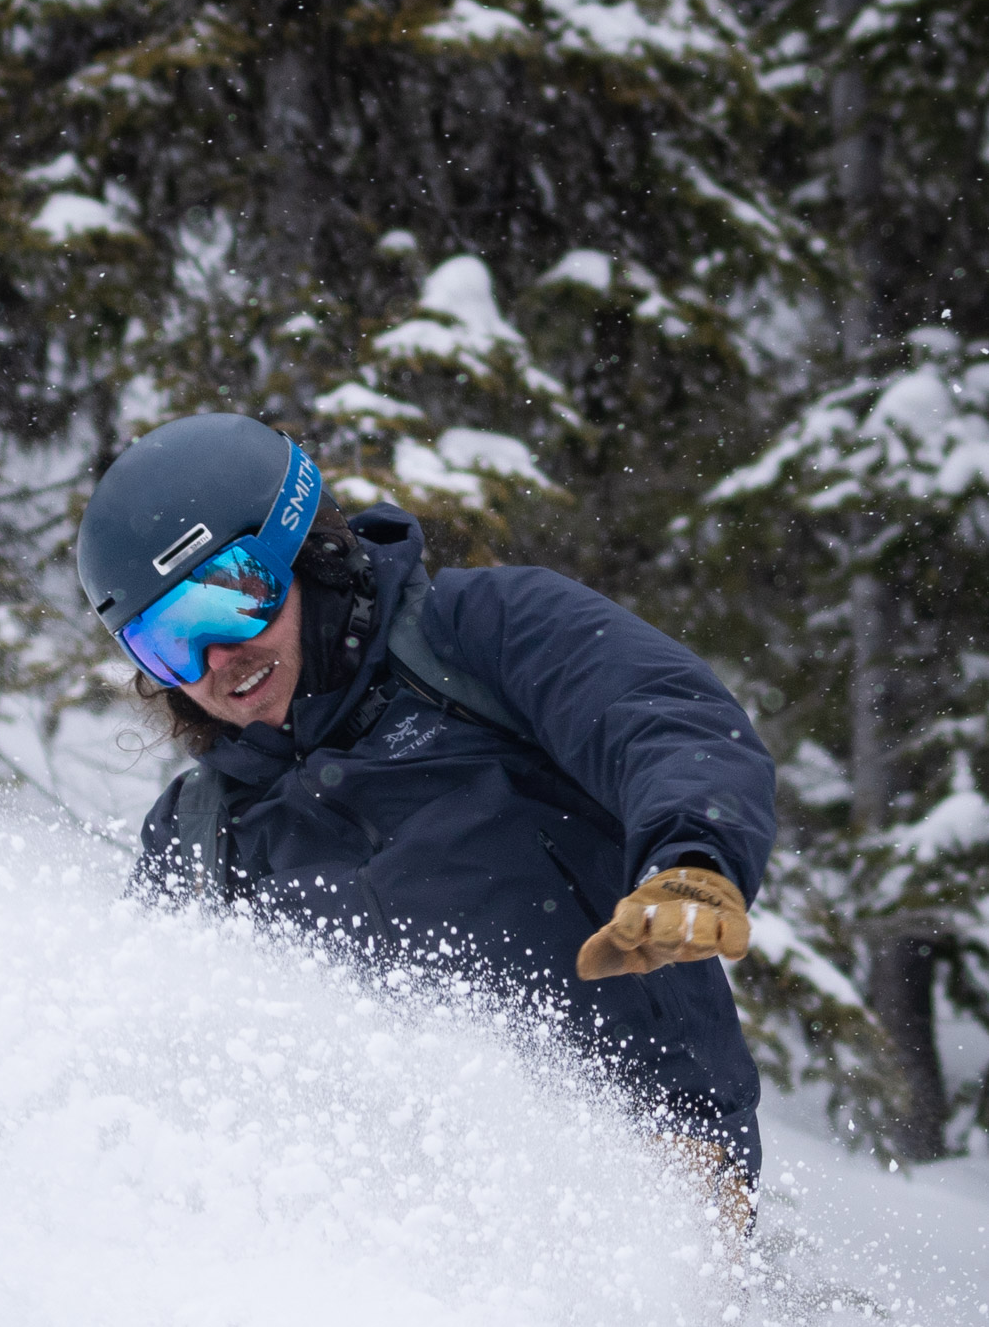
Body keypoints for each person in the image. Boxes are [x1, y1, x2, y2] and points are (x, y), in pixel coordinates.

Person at [77, 414, 775, 1221]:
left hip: (660, 1171)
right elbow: (155, 1044)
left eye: (231, 601)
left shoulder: (481, 637)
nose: (215, 661)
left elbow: (664, 722)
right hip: (394, 1239)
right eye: (168, 642)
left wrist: (693, 856)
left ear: (308, 553)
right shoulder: (201, 837)